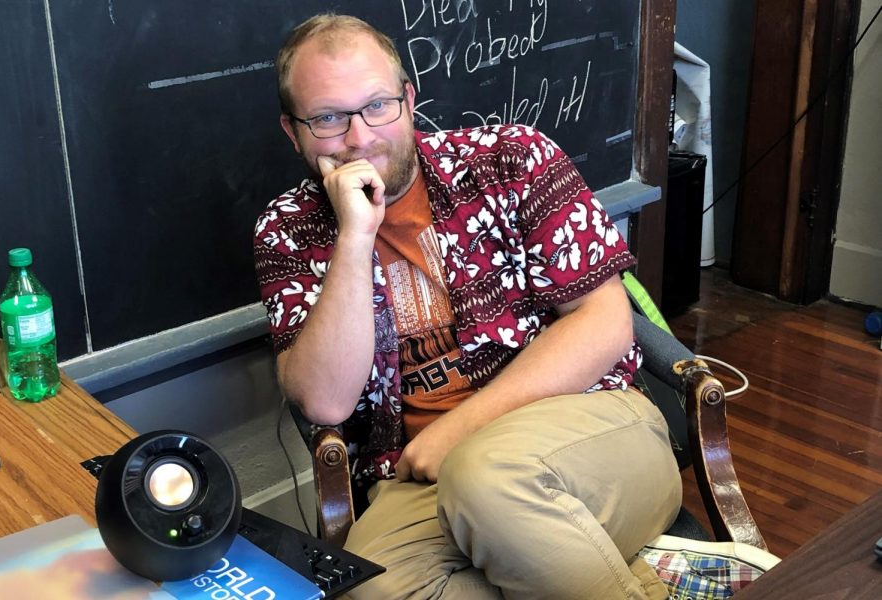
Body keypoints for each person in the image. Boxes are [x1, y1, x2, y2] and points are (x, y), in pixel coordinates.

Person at [254, 13, 681, 599]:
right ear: (293, 131)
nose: (358, 137)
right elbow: (325, 400)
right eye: (328, 118)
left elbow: (604, 322)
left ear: (409, 99)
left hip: (592, 430)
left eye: (377, 105)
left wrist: (460, 430)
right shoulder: (287, 230)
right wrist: (354, 236)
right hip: (418, 480)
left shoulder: (512, 159)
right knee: (369, 591)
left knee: (486, 477)